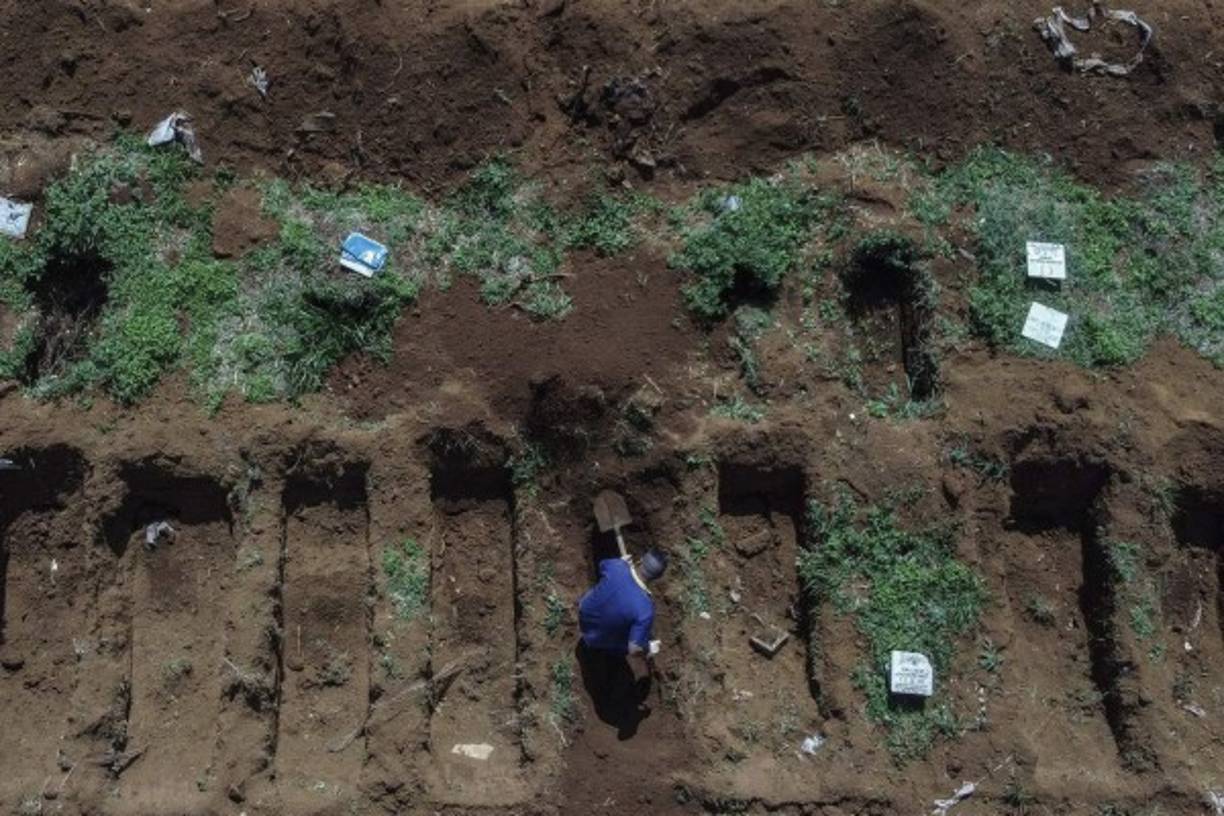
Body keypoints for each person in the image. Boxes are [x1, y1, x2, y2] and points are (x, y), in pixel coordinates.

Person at [576, 547, 668, 739]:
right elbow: (634, 649)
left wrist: (623, 562)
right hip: (599, 642)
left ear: (640, 561)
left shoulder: (617, 567)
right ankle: (608, 671)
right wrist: (648, 648)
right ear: (657, 578)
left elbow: (602, 566)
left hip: (584, 614)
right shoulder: (645, 609)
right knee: (625, 644)